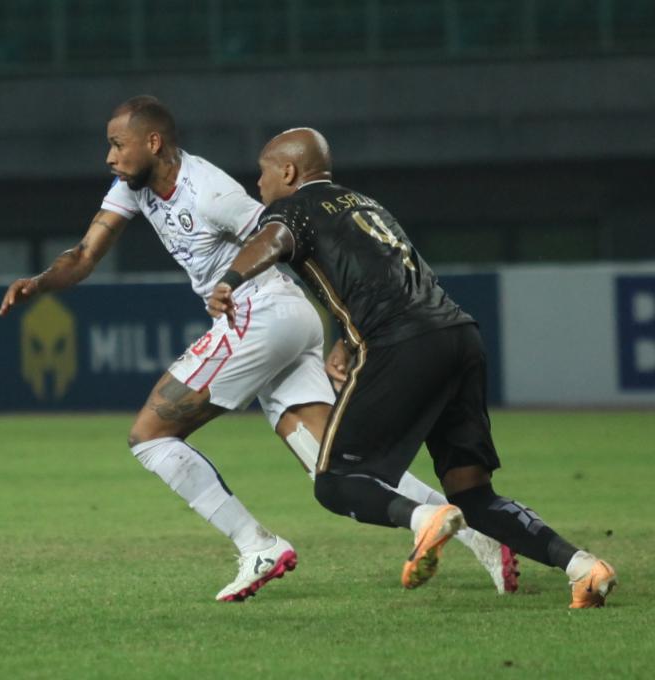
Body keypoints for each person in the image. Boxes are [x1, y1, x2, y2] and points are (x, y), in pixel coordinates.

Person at [0, 96, 516, 601]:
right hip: (284, 321)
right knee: (332, 462)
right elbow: (86, 255)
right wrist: (41, 281)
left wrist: (347, 330)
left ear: (152, 142)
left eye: (117, 145)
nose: (110, 157)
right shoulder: (132, 187)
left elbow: (290, 242)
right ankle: (478, 532)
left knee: (150, 435)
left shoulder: (209, 191)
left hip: (260, 312)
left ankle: (258, 545)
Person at [207, 127, 617, 608]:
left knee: (336, 481)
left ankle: (425, 519)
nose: (258, 183)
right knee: (474, 495)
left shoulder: (291, 208)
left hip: (402, 343)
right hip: (458, 334)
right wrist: (344, 336)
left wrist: (231, 278)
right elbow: (381, 274)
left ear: (290, 172)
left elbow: (273, 239)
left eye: (264, 172)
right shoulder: (365, 203)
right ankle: (584, 568)